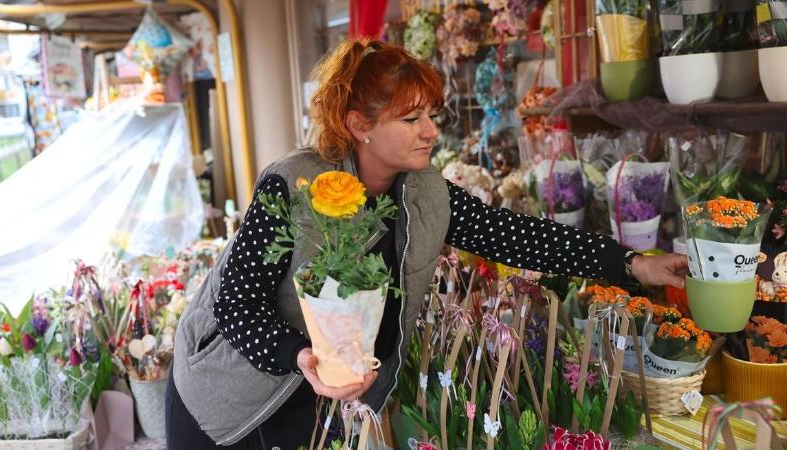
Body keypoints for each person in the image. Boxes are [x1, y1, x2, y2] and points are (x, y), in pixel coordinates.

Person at [165, 38, 688, 449]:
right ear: (359, 126)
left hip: (329, 399)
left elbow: (517, 236)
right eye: (411, 118)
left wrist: (632, 264)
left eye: (431, 115)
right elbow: (236, 302)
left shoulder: (426, 192)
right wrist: (299, 355)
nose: (431, 131)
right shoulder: (294, 185)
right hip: (228, 396)